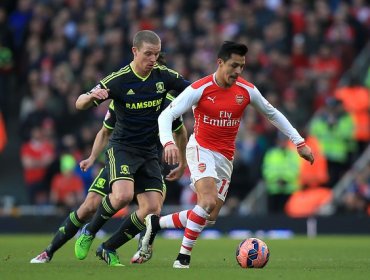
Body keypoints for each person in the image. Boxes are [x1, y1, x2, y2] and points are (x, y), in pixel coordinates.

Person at [140, 41, 314, 268]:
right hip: (201, 149)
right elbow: (165, 116)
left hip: (225, 157)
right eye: (234, 65)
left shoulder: (247, 90)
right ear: (220, 63)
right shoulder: (200, 89)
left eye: (242, 66)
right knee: (207, 200)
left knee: (209, 216)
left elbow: (272, 114)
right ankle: (183, 258)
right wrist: (168, 143)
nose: (238, 71)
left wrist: (299, 142)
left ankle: (156, 224)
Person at [74, 30, 190, 266]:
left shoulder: (164, 76)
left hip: (149, 152)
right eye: (148, 54)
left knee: (152, 208)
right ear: (135, 51)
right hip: (123, 147)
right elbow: (80, 103)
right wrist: (91, 96)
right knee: (124, 196)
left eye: (156, 54)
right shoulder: (118, 80)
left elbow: (194, 91)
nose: (153, 59)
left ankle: (108, 247)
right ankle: (89, 231)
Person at [30, 92, 186, 263]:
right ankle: (50, 251)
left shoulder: (171, 104)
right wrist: (92, 157)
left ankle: (108, 247)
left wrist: (182, 162)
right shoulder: (125, 95)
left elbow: (181, 132)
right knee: (89, 207)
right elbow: (105, 131)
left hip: (148, 162)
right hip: (121, 158)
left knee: (151, 209)